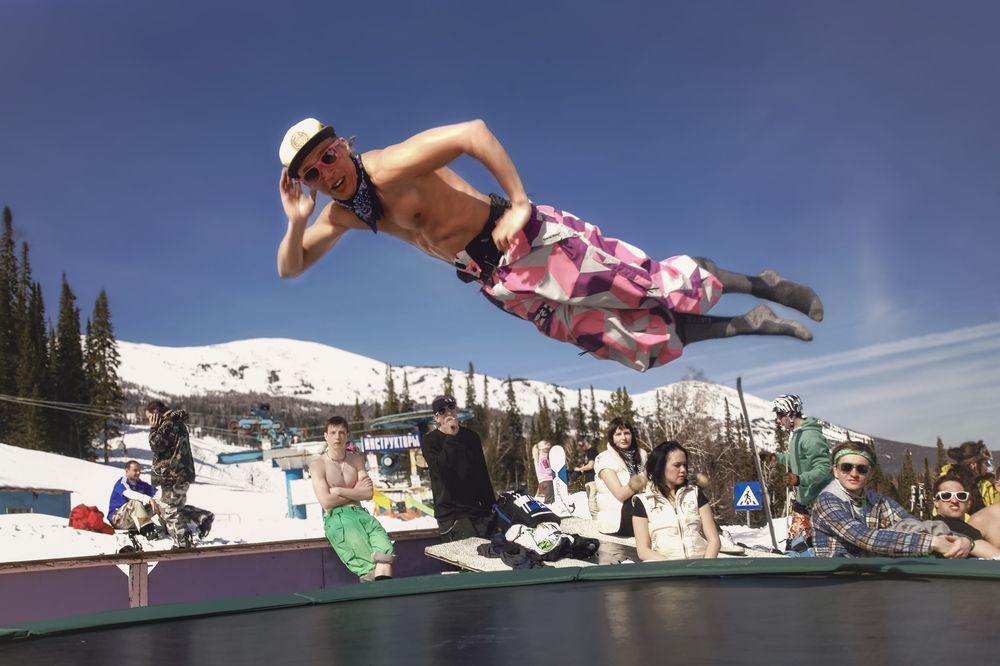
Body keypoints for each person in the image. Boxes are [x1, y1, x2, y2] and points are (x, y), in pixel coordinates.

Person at [277, 118, 823, 373]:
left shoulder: (392, 163)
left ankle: (763, 284)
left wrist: (518, 201)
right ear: (307, 183)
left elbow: (473, 133)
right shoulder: (343, 213)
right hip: (499, 282)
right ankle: (747, 323)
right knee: (620, 338)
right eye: (312, 173)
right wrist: (296, 223)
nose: (328, 172)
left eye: (329, 156)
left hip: (527, 239)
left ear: (343, 146)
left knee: (649, 286)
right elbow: (291, 267)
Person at [811, 441, 973, 558]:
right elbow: (864, 537)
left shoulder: (877, 501)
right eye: (846, 467)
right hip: (835, 576)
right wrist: (932, 543)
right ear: (835, 470)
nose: (854, 474)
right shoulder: (827, 500)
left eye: (862, 469)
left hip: (871, 576)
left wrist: (964, 540)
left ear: (871, 473)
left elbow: (912, 523)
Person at [310, 416, 394, 582]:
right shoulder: (318, 465)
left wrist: (339, 491)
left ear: (347, 435)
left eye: (341, 432)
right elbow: (326, 501)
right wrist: (356, 491)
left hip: (362, 514)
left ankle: (386, 597)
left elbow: (368, 493)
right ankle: (378, 598)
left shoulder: (356, 459)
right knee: (368, 569)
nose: (337, 437)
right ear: (326, 436)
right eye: (333, 433)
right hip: (340, 519)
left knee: (385, 555)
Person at [420, 394, 497, 542]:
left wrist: (491, 507)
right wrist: (451, 437)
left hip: (478, 512)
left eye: (451, 407)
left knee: (487, 553)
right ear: (436, 418)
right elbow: (441, 470)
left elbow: (481, 474)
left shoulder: (471, 437)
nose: (448, 412)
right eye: (442, 411)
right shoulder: (430, 440)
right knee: (466, 556)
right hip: (451, 515)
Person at [632, 441, 720, 560]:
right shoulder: (643, 502)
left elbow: (714, 540)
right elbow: (643, 550)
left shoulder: (695, 494)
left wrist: (705, 566)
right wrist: (672, 567)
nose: (683, 470)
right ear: (660, 466)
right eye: (677, 465)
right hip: (666, 569)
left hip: (700, 567)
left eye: (684, 465)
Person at [764, 394, 832, 548]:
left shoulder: (810, 436)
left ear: (790, 414)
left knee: (815, 547)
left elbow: (823, 468)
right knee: (796, 546)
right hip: (804, 500)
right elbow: (795, 457)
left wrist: (799, 479)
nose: (778, 420)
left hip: (819, 501)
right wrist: (775, 458)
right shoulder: (798, 434)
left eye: (780, 415)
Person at [146, 400, 213, 549]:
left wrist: (153, 429)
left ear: (156, 415)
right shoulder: (176, 422)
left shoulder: (168, 424)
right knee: (176, 508)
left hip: (173, 475)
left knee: (169, 509)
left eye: (149, 417)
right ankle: (200, 520)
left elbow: (157, 445)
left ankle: (183, 543)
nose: (149, 421)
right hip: (181, 473)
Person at [594, 418, 647, 537]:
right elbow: (620, 495)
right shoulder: (605, 459)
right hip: (618, 515)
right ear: (612, 438)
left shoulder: (641, 455)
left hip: (641, 504)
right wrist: (643, 477)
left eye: (627, 433)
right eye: (618, 434)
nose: (623, 438)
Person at [929, 474, 1000, 559]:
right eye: (946, 496)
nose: (954, 500)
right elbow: (996, 556)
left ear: (967, 500)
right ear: (936, 501)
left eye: (961, 496)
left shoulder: (933, 526)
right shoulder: (954, 528)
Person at [107, 460, 161, 539]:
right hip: (118, 520)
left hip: (133, 519)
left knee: (159, 501)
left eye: (139, 470)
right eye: (135, 470)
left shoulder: (140, 484)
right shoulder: (122, 483)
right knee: (134, 502)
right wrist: (149, 499)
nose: (138, 473)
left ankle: (170, 526)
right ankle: (148, 531)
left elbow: (158, 493)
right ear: (127, 471)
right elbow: (129, 493)